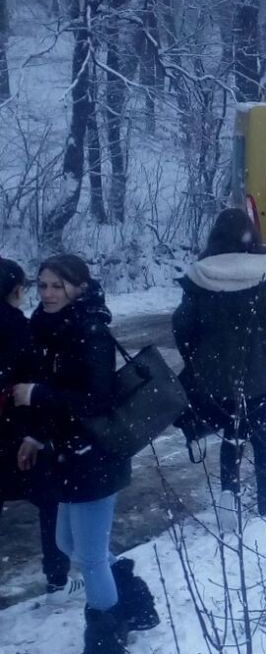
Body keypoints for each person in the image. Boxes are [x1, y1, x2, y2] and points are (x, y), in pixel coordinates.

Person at [14, 254, 159, 652]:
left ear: (78, 287)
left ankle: (106, 637)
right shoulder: (48, 328)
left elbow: (96, 399)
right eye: (42, 285)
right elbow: (59, 394)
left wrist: (37, 394)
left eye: (57, 285)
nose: (47, 293)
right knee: (67, 544)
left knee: (90, 557)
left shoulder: (89, 330)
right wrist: (37, 438)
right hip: (66, 454)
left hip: (95, 456)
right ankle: (132, 599)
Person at [173, 209, 266, 519]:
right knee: (261, 435)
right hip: (261, 369)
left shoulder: (200, 274)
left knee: (232, 433)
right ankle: (265, 500)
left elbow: (182, 325)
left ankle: (228, 497)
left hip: (217, 372)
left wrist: (197, 358)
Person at [0, 258, 72, 598]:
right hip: (15, 435)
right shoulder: (18, 328)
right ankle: (58, 579)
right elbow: (34, 384)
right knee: (50, 502)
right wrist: (37, 433)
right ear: (16, 290)